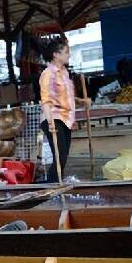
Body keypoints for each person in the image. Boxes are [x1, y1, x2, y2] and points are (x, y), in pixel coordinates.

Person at [39, 38, 91, 182]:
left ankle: (54, 184)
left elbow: (67, 97)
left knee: (63, 156)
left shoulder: (64, 73)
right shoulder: (47, 74)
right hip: (53, 117)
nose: (69, 55)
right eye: (66, 52)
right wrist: (50, 122)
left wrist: (81, 101)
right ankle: (51, 185)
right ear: (56, 54)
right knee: (60, 155)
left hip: (65, 118)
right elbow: (45, 100)